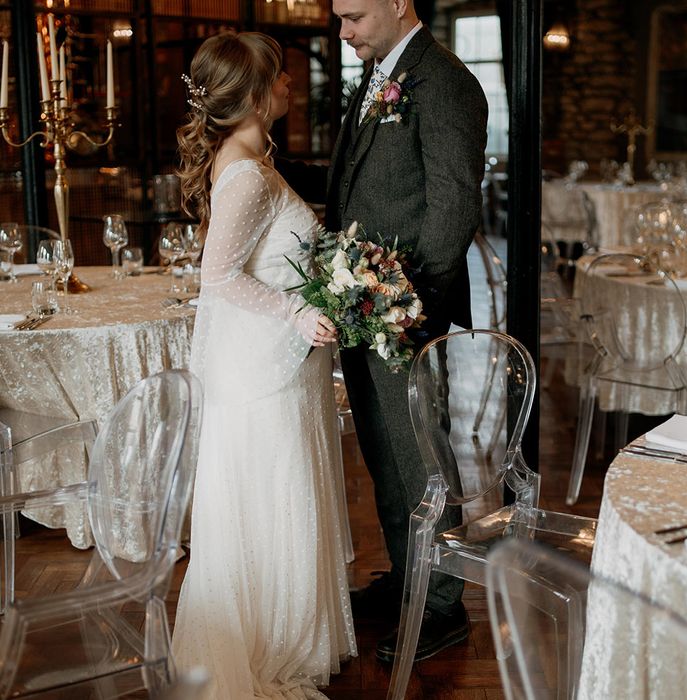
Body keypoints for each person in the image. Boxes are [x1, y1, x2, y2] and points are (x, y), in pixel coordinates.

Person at [280, 0, 488, 664]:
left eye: (354, 16)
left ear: (400, 3)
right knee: (383, 451)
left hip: (405, 312)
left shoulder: (447, 81)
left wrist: (404, 307)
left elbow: (453, 206)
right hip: (365, 306)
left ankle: (443, 605)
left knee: (421, 454)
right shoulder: (382, 71)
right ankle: (410, 577)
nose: (343, 32)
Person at [171, 32, 357, 699]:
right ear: (252, 95)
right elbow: (217, 277)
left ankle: (288, 630)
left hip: (277, 365)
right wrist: (295, 314)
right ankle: (268, 641)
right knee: (273, 499)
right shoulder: (246, 172)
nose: (289, 87)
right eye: (278, 79)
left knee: (284, 497)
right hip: (263, 371)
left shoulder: (254, 154)